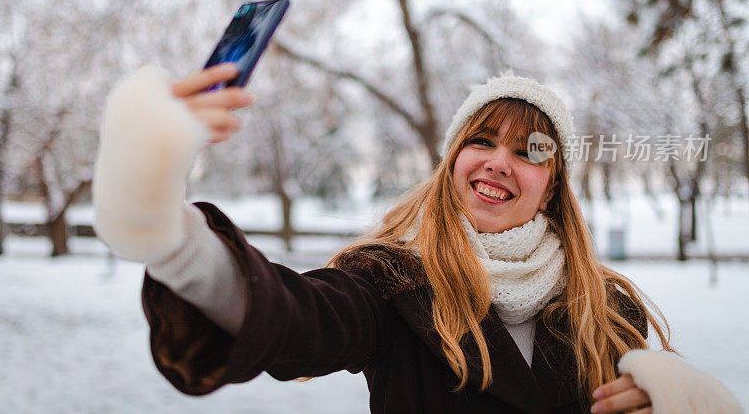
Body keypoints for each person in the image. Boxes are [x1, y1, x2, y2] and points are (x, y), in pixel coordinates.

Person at [92, 63, 742, 414]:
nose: (497, 160)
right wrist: (163, 224)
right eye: (480, 140)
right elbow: (288, 315)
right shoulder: (391, 284)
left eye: (529, 149)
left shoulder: (609, 308)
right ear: (451, 163)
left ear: (553, 184)